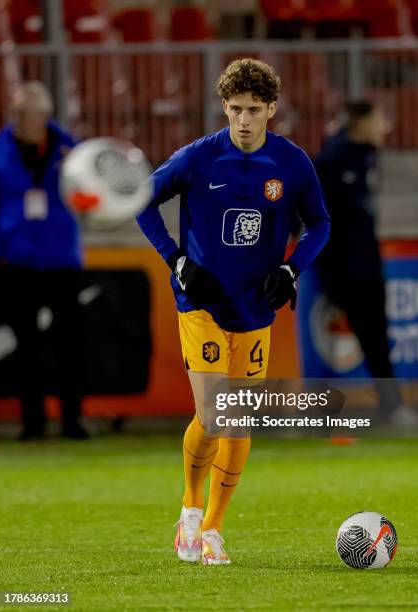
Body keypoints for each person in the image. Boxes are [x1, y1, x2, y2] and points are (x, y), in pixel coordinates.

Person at [137, 58, 330, 565]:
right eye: (235, 109)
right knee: (213, 412)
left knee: (238, 421)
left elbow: (320, 224)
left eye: (253, 110)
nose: (243, 120)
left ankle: (214, 531)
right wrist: (177, 260)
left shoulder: (291, 164)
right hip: (200, 301)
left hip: (254, 307)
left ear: (271, 109)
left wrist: (291, 270)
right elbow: (142, 201)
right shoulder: (198, 158)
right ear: (224, 107)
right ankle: (191, 509)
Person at [314, 100, 418, 425]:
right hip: (343, 268)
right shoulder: (333, 160)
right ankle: (386, 405)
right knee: (364, 337)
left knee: (375, 336)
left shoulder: (367, 156)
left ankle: (390, 403)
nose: (384, 128)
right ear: (359, 124)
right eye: (378, 120)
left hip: (367, 264)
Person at [0, 81, 88, 440]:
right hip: (16, 261)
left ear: (45, 115)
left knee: (71, 346)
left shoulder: (71, 151)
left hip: (62, 259)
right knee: (26, 347)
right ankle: (32, 423)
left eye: (25, 111)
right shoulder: (0, 150)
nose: (17, 117)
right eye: (15, 110)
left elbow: (91, 192)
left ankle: (72, 420)